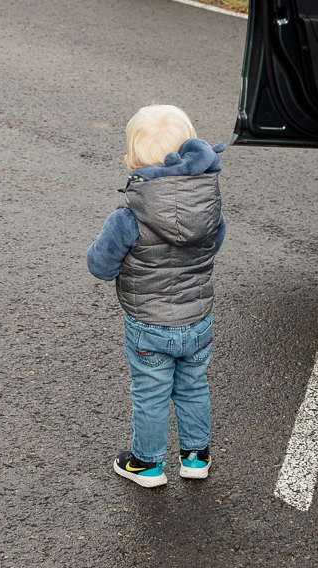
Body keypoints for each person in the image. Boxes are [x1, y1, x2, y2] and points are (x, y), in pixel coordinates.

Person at [86, 104, 226, 489]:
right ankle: (196, 457)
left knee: (150, 393)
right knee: (194, 385)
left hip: (148, 324)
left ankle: (147, 464)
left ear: (130, 161)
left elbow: (100, 266)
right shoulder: (208, 206)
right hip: (197, 318)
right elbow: (214, 245)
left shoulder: (128, 216)